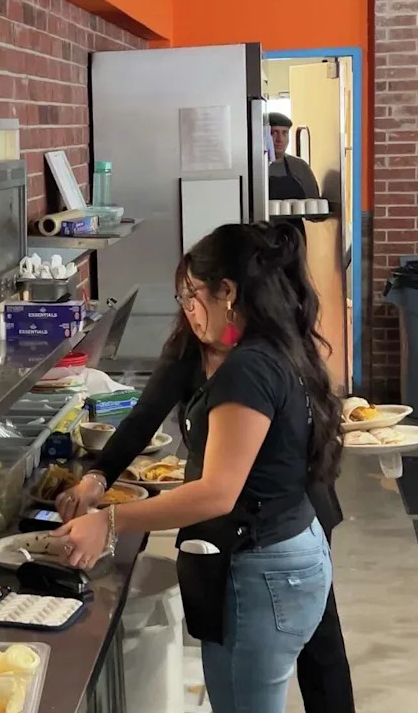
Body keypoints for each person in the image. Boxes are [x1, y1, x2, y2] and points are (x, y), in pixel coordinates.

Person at [52, 222, 343, 713]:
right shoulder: (273, 349)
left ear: (226, 291)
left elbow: (216, 493)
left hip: (262, 564)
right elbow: (148, 414)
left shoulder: (247, 369)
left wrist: (108, 520)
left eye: (192, 296)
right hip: (285, 548)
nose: (187, 312)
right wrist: (99, 477)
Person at [269, 112, 320, 201]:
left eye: (285, 133)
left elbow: (314, 203)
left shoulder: (300, 166)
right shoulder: (252, 169)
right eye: (274, 133)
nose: (280, 139)